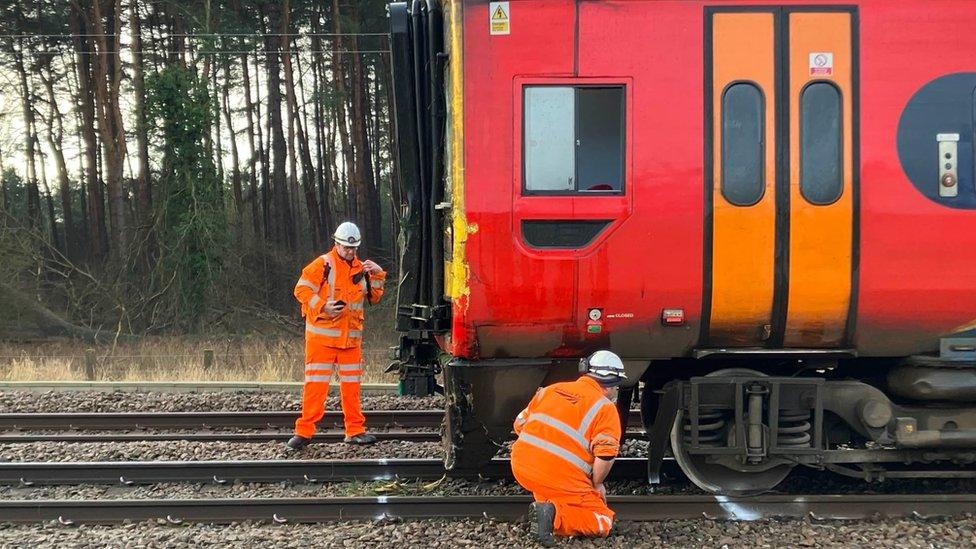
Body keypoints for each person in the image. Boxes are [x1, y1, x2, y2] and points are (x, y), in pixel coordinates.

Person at [286, 222, 386, 450]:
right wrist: (323, 306)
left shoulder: (362, 269)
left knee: (352, 388)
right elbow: (301, 290)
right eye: (345, 248)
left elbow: (375, 297)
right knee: (315, 387)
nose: (350, 252)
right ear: (337, 244)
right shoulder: (323, 264)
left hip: (350, 342)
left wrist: (378, 273)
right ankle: (303, 433)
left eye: (353, 248)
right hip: (322, 340)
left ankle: (355, 431)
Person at [511, 350, 626, 545]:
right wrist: (597, 485)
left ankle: (546, 507)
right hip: (557, 476)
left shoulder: (550, 389)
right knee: (601, 520)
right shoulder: (605, 408)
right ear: (612, 385)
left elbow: (519, 424)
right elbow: (605, 455)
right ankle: (553, 516)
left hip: (521, 466)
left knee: (552, 493)